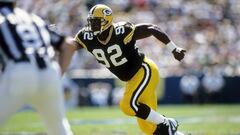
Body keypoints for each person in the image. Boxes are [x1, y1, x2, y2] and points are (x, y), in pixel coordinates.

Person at [60, 4, 186, 135]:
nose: (93, 25)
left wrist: (173, 48)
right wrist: (55, 43)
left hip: (144, 70)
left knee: (127, 106)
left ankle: (166, 122)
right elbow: (70, 46)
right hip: (132, 79)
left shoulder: (121, 31)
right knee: (148, 127)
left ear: (107, 21)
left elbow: (151, 28)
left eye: (97, 22)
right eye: (91, 21)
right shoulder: (86, 37)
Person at [0, 0, 74, 135]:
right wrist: (57, 77)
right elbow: (68, 45)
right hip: (49, 71)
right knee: (59, 128)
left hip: (19, 72)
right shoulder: (33, 19)